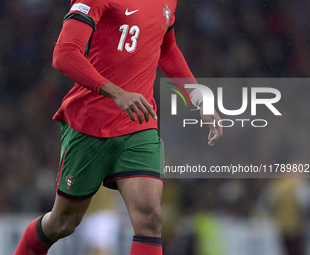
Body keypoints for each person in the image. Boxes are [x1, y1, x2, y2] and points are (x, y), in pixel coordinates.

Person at [14, 0, 223, 254]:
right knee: (63, 222)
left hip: (139, 122)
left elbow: (167, 50)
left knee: (150, 217)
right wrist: (117, 93)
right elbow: (64, 54)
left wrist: (199, 97)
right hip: (90, 125)